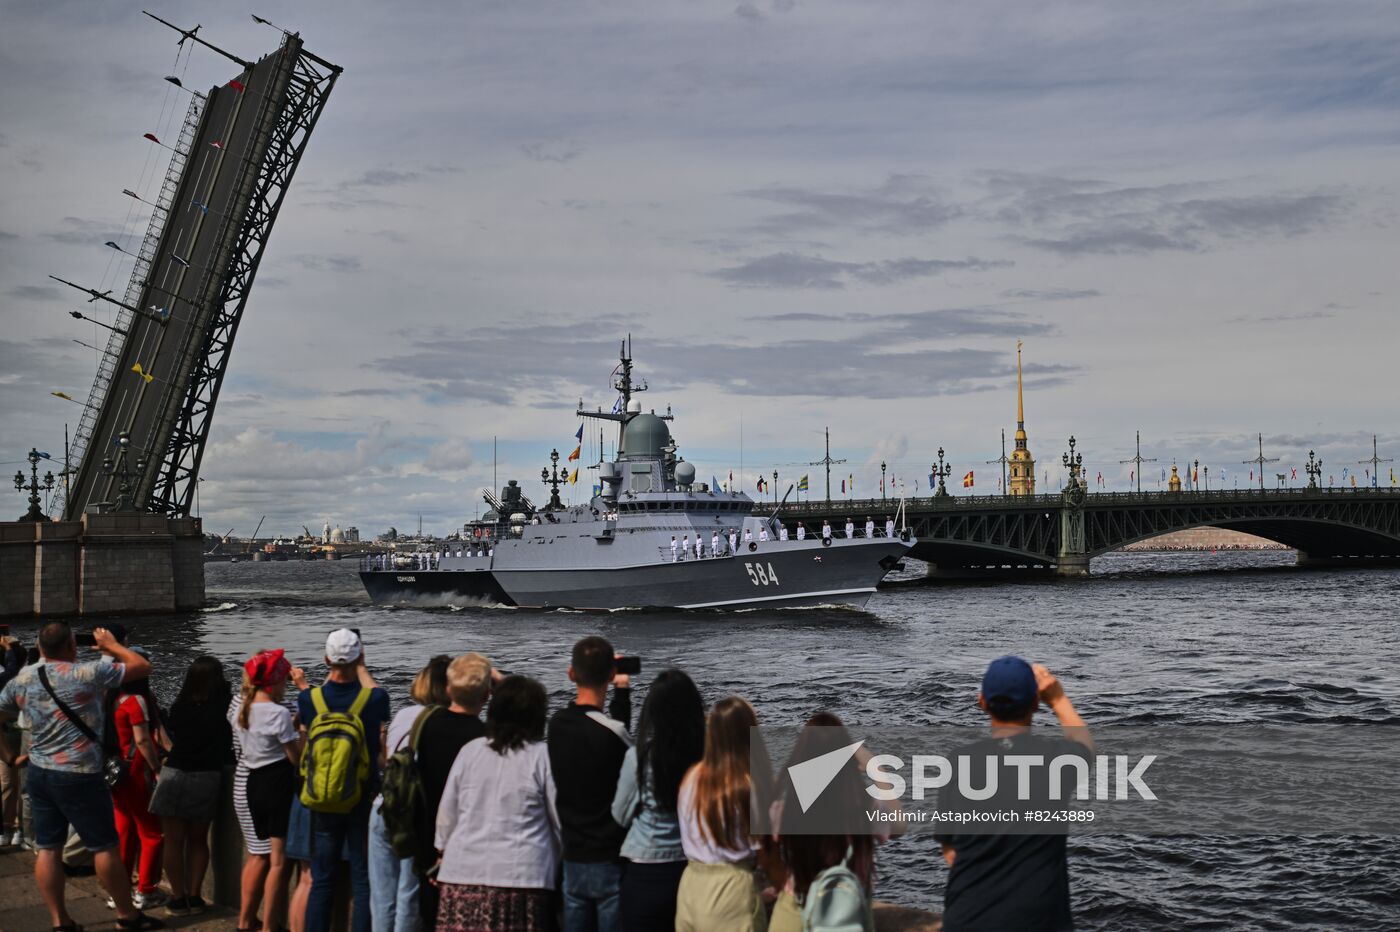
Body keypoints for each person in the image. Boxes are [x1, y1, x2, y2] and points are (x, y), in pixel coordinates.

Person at [0, 622, 164, 931]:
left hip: (39, 772)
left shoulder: (21, 679)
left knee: (48, 848)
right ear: (72, 647)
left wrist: (9, 757)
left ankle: (61, 921)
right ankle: (127, 916)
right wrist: (111, 646)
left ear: (40, 646)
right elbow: (142, 666)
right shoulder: (87, 674)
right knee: (104, 846)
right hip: (80, 774)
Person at [934, 657, 1092, 932]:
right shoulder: (1057, 760)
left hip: (967, 918)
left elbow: (950, 852)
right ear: (1034, 704)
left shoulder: (958, 761)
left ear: (982, 701)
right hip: (1039, 921)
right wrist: (1058, 699)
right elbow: (1085, 745)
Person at [434, 675, 560, 931]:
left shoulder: (471, 751)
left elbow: (447, 817)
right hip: (522, 878)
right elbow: (560, 821)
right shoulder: (542, 757)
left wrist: (442, 852)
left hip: (461, 875)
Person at [296, 629, 390, 932]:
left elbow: (307, 727)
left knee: (322, 879)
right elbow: (380, 719)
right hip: (361, 795)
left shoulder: (308, 699)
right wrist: (361, 669)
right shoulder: (375, 698)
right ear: (360, 656)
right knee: (362, 879)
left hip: (322, 797)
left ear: (326, 659)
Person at [769, 713, 892, 932]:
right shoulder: (864, 808)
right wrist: (877, 769)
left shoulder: (783, 809)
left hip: (794, 908)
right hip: (847, 910)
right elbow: (899, 824)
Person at [547, 637, 632, 932]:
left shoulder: (556, 725)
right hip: (608, 857)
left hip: (572, 857)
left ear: (571, 674)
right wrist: (622, 692)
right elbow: (624, 749)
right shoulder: (615, 733)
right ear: (611, 674)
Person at [611, 669, 705, 932]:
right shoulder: (706, 756)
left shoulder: (639, 757)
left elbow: (620, 815)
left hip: (645, 870)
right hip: (691, 866)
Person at [675, 696, 773, 932]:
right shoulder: (746, 786)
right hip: (732, 890)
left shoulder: (691, 778)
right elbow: (765, 853)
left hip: (691, 885)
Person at [413, 653, 494, 927]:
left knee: (428, 914)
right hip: (468, 847)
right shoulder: (485, 738)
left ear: (448, 690)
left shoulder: (423, 725)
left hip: (427, 839)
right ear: (486, 696)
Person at [370, 655, 449, 932]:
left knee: (381, 897)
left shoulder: (403, 714)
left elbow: (386, 758)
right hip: (411, 815)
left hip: (382, 807)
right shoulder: (443, 722)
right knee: (408, 895)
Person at [152, 656, 233, 915]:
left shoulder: (180, 707)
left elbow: (169, 735)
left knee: (173, 842)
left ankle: (178, 897)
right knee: (198, 841)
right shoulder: (225, 708)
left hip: (175, 772)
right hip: (207, 775)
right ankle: (196, 896)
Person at [236, 649, 304, 932]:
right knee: (279, 864)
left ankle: (249, 921)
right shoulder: (278, 713)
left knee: (260, 854)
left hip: (253, 783)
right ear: (275, 681)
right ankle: (270, 927)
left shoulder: (243, 708)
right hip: (278, 785)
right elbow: (294, 757)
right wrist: (301, 731)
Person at [111, 646, 169, 909]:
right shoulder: (138, 701)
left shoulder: (111, 698)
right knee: (152, 832)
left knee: (124, 831)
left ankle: (119, 891)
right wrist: (157, 767)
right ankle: (145, 890)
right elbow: (143, 740)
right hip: (136, 770)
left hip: (115, 772)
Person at [0, 632, 25, 847]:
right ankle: (16, 828)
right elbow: (10, 672)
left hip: (9, 738)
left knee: (9, 785)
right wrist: (9, 651)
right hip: (13, 737)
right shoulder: (14, 677)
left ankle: (11, 828)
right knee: (18, 786)